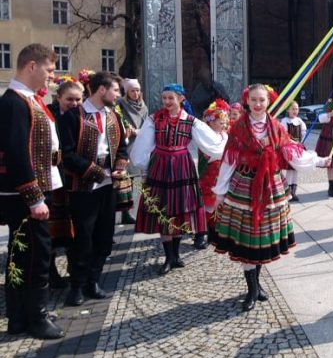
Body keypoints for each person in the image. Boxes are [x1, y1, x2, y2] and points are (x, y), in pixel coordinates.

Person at [211, 84, 329, 311]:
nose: (257, 104)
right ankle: (252, 290)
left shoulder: (276, 127)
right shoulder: (239, 128)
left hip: (270, 187)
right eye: (253, 100)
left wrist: (319, 160)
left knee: (260, 240)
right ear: (247, 101)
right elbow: (229, 161)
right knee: (247, 240)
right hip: (244, 187)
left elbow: (293, 153)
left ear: (268, 101)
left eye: (261, 100)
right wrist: (220, 191)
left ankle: (256, 285)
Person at [0, 43, 65, 339]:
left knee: (23, 255)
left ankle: (19, 318)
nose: (52, 75)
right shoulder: (14, 102)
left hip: (37, 187)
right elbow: (16, 152)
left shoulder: (28, 99)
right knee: (36, 256)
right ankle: (36, 317)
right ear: (31, 66)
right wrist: (34, 197)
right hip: (27, 194)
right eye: (49, 70)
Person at [130, 84, 226, 275]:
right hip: (160, 167)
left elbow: (212, 144)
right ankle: (168, 257)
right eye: (164, 98)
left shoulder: (191, 121)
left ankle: (176, 255)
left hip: (182, 167)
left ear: (181, 99)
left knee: (180, 209)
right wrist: (145, 167)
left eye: (170, 98)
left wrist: (225, 140)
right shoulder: (154, 120)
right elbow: (142, 146)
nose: (166, 101)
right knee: (164, 210)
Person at [58, 72, 129, 306]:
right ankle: (77, 286)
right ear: (101, 90)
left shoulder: (113, 116)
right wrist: (97, 172)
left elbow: (122, 147)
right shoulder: (73, 117)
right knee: (83, 237)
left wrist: (120, 165)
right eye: (115, 90)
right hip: (83, 187)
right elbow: (67, 154)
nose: (118, 95)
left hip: (108, 186)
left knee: (104, 235)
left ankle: (94, 280)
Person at [47, 78, 84, 288]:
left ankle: (74, 266)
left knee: (73, 225)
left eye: (78, 99)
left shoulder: (83, 116)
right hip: (54, 177)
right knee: (53, 227)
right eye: (70, 99)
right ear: (59, 98)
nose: (74, 103)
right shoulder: (49, 114)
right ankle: (51, 271)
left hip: (73, 177)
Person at [196, 99, 230, 249]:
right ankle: (200, 234)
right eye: (220, 122)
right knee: (206, 205)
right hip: (209, 175)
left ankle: (214, 233)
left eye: (224, 121)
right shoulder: (206, 136)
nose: (223, 124)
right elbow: (207, 155)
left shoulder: (225, 135)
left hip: (222, 174)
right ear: (210, 122)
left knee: (218, 204)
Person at [115, 78, 148, 225]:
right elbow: (119, 119)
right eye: (132, 91)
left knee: (134, 178)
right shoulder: (120, 104)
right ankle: (123, 212)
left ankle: (129, 211)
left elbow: (146, 122)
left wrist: (142, 132)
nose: (135, 93)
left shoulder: (143, 106)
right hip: (126, 143)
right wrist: (128, 129)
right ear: (127, 92)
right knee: (124, 178)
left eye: (137, 90)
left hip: (138, 143)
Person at [280, 101, 308, 202]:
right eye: (293, 109)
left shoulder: (300, 121)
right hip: (289, 148)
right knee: (290, 170)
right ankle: (288, 192)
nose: (295, 111)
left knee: (296, 170)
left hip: (298, 148)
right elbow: (284, 135)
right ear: (288, 110)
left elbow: (304, 132)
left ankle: (294, 192)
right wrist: (293, 142)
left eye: (296, 109)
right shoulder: (284, 121)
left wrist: (301, 141)